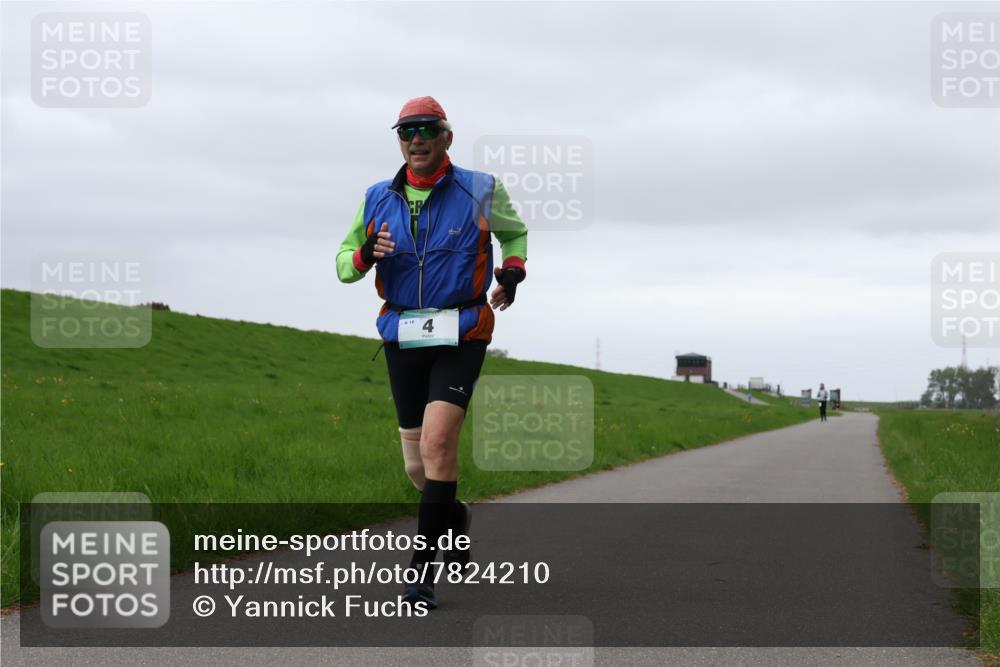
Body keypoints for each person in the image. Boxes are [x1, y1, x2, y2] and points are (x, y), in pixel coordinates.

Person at [336, 96, 528, 609]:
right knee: (417, 465)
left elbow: (515, 235)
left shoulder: (481, 189)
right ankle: (454, 513)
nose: (416, 139)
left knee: (438, 445)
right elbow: (342, 266)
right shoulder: (377, 197)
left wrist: (512, 272)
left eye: (426, 129)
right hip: (402, 332)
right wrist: (361, 254)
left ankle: (421, 575)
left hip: (462, 329)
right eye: (406, 131)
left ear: (447, 136)